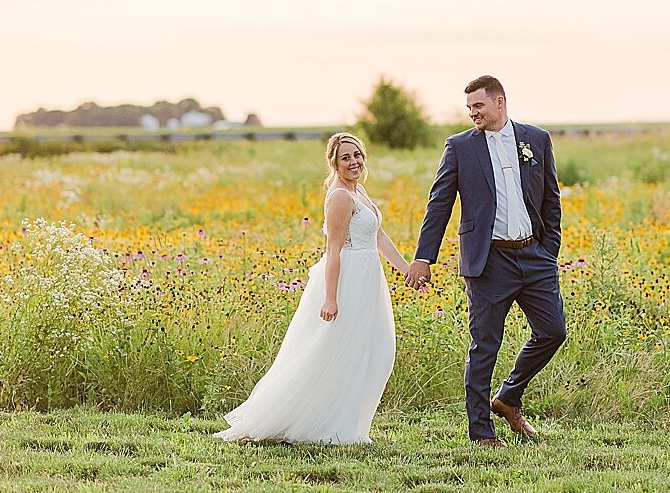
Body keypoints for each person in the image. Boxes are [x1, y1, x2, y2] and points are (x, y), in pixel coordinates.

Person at [215, 132, 411, 444]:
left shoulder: (359, 191)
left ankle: (347, 422)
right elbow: (333, 250)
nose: (353, 162)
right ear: (334, 162)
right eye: (345, 157)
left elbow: (379, 235)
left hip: (369, 279)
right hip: (347, 280)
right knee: (337, 351)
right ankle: (324, 425)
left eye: (357, 155)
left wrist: (407, 270)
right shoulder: (340, 197)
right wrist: (331, 298)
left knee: (373, 350)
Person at [405, 75, 566, 447]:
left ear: (500, 102)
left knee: (553, 331)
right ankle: (481, 431)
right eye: (469, 108)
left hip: (534, 256)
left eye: (478, 105)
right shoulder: (460, 147)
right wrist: (423, 257)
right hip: (488, 261)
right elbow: (439, 203)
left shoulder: (536, 140)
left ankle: (508, 397)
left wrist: (549, 251)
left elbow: (551, 199)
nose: (473, 113)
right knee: (484, 347)